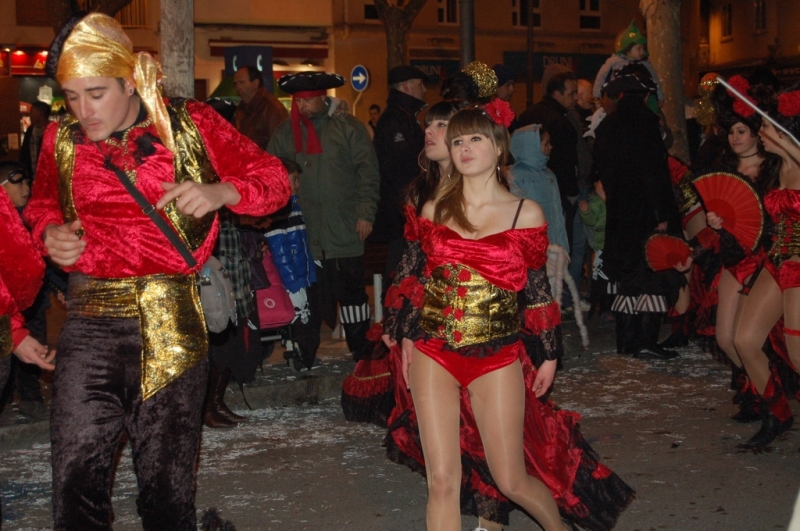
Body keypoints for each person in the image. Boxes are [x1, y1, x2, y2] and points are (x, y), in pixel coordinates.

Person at [24, 13, 290, 529]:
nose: (83, 110)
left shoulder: (187, 123)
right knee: (75, 480)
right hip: (90, 325)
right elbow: (40, 207)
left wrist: (223, 192)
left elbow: (274, 180)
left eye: (96, 94)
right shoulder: (60, 139)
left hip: (171, 321)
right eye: (72, 97)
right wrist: (48, 233)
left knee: (166, 490)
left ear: (129, 81)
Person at [383, 107, 629, 531]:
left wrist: (550, 353)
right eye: (457, 141)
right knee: (442, 480)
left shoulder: (525, 213)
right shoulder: (433, 207)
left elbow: (536, 291)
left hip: (496, 355)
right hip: (434, 350)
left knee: (510, 478)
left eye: (475, 139)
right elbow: (414, 277)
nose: (464, 148)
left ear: (498, 148)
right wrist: (405, 333)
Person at [268, 71, 380, 361]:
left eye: (308, 101)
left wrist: (365, 212)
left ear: (322, 99)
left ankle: (361, 352)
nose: (302, 108)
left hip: (345, 228)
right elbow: (271, 175)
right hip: (303, 232)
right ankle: (304, 354)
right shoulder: (284, 133)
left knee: (353, 292)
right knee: (308, 296)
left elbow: (367, 172)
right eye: (298, 102)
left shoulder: (348, 128)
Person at [593, 67, 683, 360]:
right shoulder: (646, 125)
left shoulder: (607, 127)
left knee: (627, 277)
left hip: (620, 214)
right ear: (645, 95)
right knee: (652, 276)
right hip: (646, 213)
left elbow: (600, 174)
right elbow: (654, 174)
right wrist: (661, 213)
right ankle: (645, 339)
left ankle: (625, 340)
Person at [732, 82, 800, 448]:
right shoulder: (778, 169)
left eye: (770, 126)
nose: (763, 131)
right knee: (744, 340)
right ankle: (777, 415)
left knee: (799, 356)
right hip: (777, 262)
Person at [0, 162, 50, 424]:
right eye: (19, 182)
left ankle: (30, 398)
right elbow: (26, 267)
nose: (26, 188)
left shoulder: (28, 216)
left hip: (21, 311)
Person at [371, 65, 428, 280]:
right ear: (406, 86)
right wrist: (411, 206)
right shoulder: (397, 121)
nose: (424, 89)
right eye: (420, 84)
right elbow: (400, 169)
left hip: (404, 209)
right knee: (401, 266)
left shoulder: (404, 117)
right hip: (403, 212)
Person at [509, 125, 569, 251]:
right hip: (534, 242)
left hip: (555, 240)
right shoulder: (515, 175)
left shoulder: (548, 173)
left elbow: (557, 210)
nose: (551, 147)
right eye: (546, 143)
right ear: (533, 147)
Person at [592, 20, 664, 104]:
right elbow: (601, 78)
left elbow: (654, 81)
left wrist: (659, 97)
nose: (642, 52)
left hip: (642, 102)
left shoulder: (645, 65)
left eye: (643, 48)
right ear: (628, 50)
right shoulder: (613, 62)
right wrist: (597, 96)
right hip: (618, 99)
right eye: (638, 48)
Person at [233, 64, 289, 150]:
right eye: (235, 83)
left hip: (265, 162)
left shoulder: (271, 107)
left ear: (255, 83)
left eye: (241, 82)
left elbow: (282, 146)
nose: (237, 87)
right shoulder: (242, 107)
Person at [19, 101, 51, 178]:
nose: (30, 115)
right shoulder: (30, 131)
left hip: (48, 177)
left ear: (40, 113)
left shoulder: (53, 130)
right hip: (32, 176)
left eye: (32, 112)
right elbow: (24, 154)